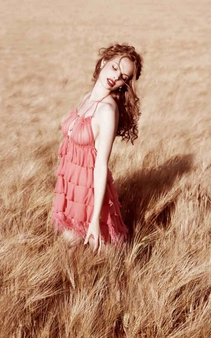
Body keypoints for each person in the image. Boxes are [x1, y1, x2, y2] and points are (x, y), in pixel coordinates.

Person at [51, 43, 143, 252]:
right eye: (114, 68)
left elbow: (101, 165)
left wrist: (94, 220)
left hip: (88, 193)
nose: (117, 77)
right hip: (70, 187)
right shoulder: (86, 99)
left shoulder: (107, 110)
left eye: (124, 77)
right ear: (103, 62)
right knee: (67, 250)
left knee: (100, 253)